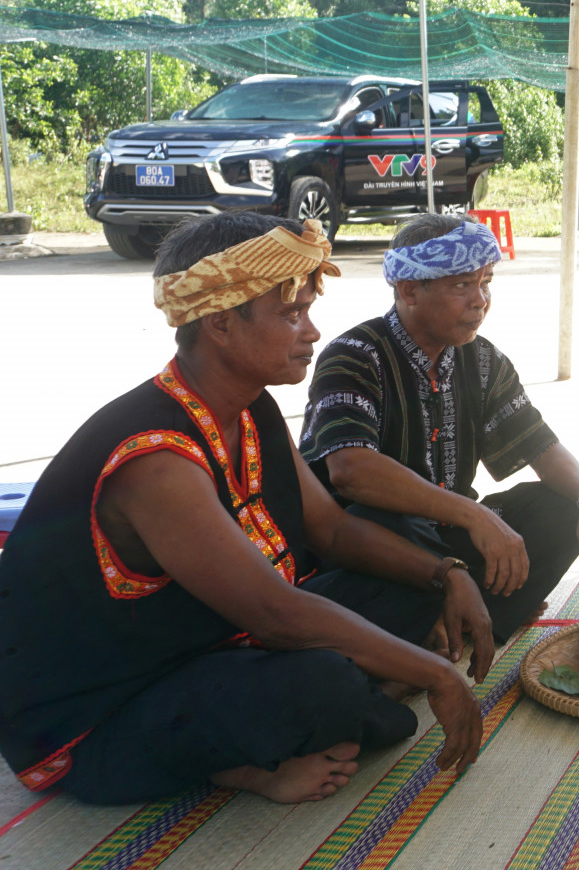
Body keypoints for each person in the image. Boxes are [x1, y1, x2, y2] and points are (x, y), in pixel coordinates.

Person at [0, 213, 491, 805]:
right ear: (221, 324)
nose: (312, 332)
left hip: (216, 650)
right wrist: (435, 675)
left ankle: (357, 696)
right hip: (100, 717)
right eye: (291, 314)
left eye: (308, 310)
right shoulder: (155, 458)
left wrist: (446, 573)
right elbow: (276, 614)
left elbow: (332, 531)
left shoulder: (251, 407)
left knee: (409, 558)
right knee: (321, 684)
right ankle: (256, 758)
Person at [300, 214, 579, 644]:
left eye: (486, 282)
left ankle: (454, 621)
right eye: (461, 285)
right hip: (368, 548)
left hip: (449, 539)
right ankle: (451, 618)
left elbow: (541, 446)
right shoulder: (353, 356)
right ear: (409, 289)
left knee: (568, 503)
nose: (480, 300)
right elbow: (350, 471)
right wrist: (473, 514)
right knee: (389, 522)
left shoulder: (483, 360)